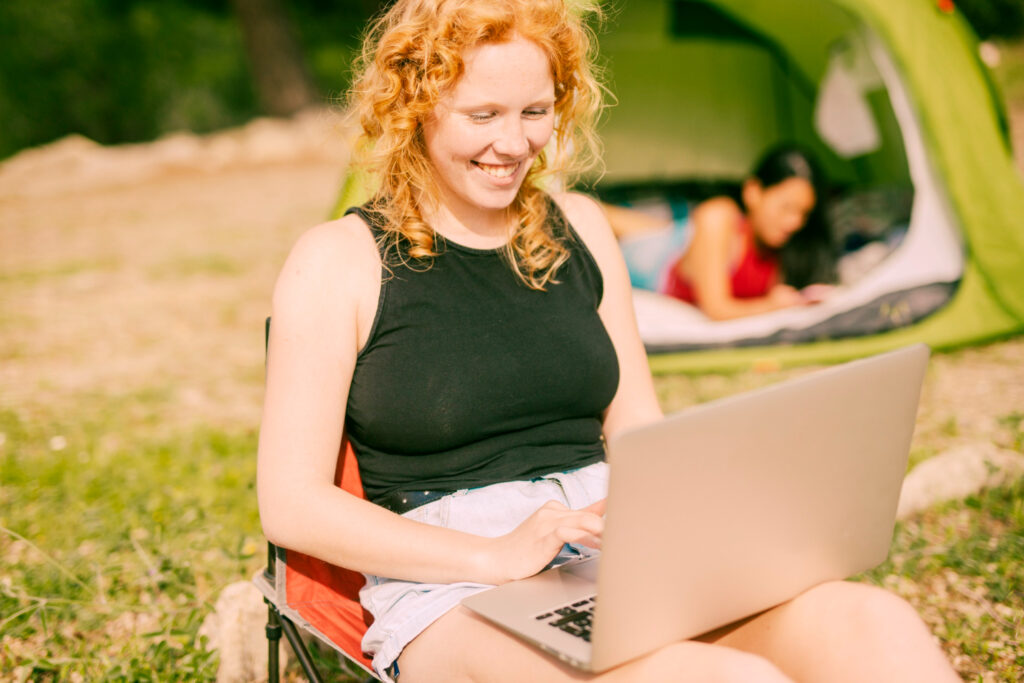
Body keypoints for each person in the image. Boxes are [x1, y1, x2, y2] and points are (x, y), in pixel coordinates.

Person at [256, 1, 959, 681]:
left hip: (617, 547)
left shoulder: (581, 227)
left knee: (870, 621)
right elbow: (291, 502)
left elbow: (637, 428)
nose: (514, 144)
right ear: (415, 104)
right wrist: (496, 553)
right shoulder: (337, 261)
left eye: (535, 112)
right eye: (482, 115)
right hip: (453, 580)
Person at [603, 147, 838, 320]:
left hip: (681, 241)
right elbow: (716, 308)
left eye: (803, 213)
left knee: (657, 228)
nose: (794, 222)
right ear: (753, 192)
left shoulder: (789, 247)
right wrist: (771, 305)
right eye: (785, 208)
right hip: (660, 258)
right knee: (591, 218)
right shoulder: (719, 215)